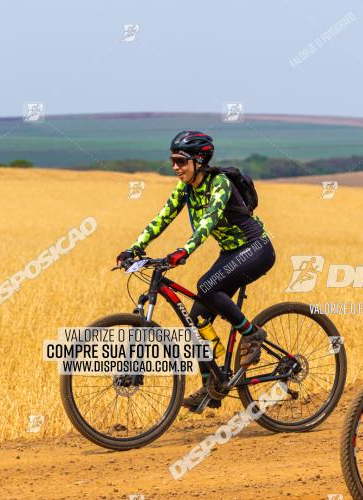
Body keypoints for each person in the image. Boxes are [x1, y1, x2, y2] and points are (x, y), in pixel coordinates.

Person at [115, 131, 275, 412]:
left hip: (256, 248)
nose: (175, 167)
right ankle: (211, 387)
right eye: (173, 161)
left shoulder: (220, 184)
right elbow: (161, 219)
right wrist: (134, 248)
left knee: (206, 287)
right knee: (197, 317)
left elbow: (208, 223)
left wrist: (183, 251)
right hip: (230, 253)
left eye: (181, 161)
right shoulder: (185, 189)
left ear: (199, 161)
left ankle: (252, 334)